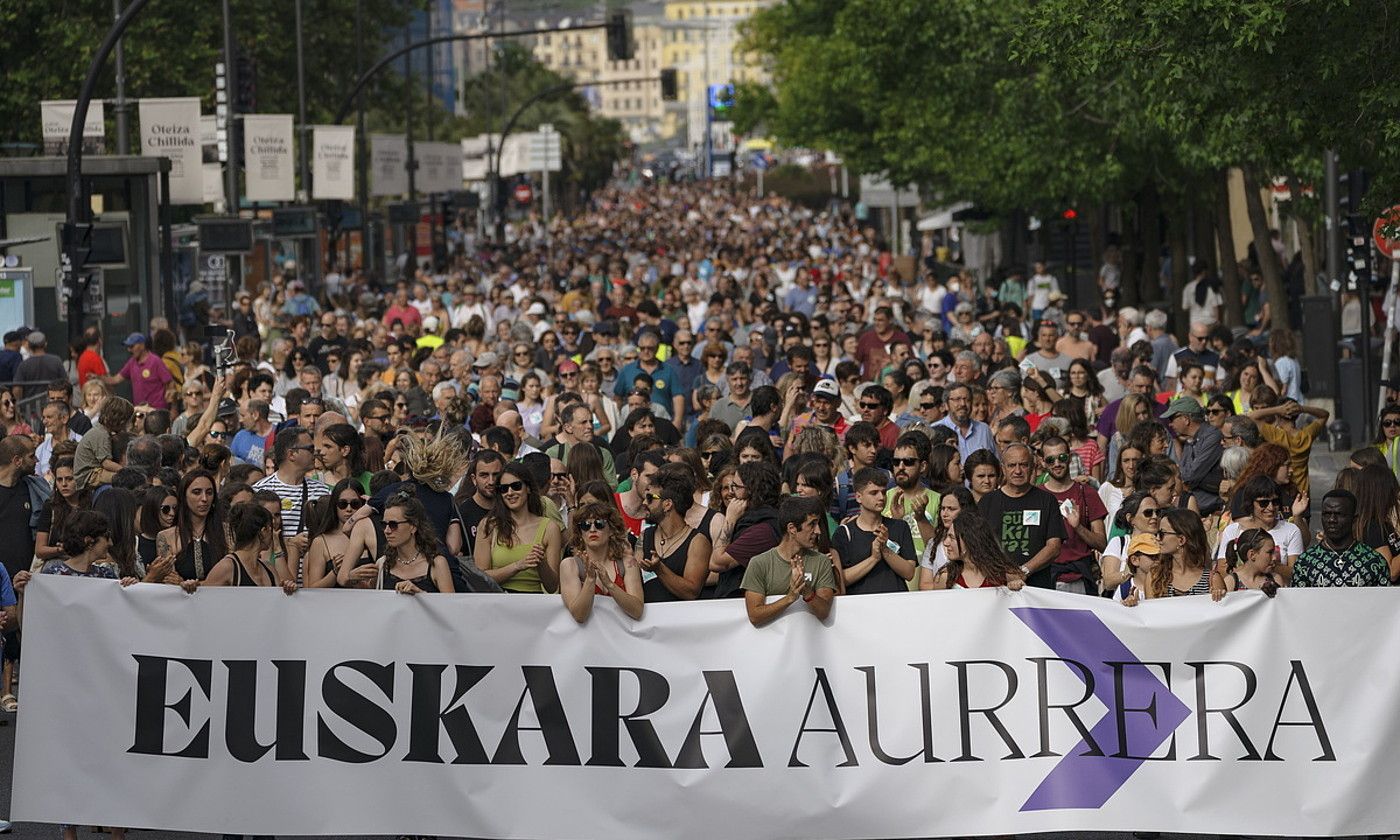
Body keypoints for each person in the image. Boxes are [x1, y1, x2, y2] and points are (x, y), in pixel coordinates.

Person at [977, 443, 1064, 589]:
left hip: (1038, 588)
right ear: (1003, 468)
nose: (1017, 471)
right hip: (995, 587)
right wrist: (1004, 573)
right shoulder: (987, 502)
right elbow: (979, 546)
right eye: (1012, 465)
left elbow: (1054, 547)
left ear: (1032, 467)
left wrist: (1024, 571)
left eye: (1023, 465)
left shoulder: (1047, 500)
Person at [741, 495, 836, 627]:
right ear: (792, 528)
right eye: (812, 524)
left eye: (818, 524)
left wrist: (807, 592)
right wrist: (790, 598)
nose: (818, 531)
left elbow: (824, 612)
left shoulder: (821, 562)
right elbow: (754, 615)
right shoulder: (759, 563)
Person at [474, 463, 562, 593]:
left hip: (532, 604)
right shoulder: (488, 526)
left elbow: (552, 586)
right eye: (504, 489)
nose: (510, 493)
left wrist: (542, 563)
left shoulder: (550, 528)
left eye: (516, 486)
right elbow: (480, 579)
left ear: (528, 488)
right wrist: (517, 566)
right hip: (497, 602)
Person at [1039, 436, 1108, 593]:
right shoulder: (1036, 496)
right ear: (1043, 462)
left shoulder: (1088, 493)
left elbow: (1102, 544)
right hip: (1046, 579)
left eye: (1062, 457)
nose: (1057, 464)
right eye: (1050, 460)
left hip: (1081, 577)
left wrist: (1078, 528)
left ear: (1070, 458)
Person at [834, 467, 917, 594]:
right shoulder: (844, 533)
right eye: (874, 493)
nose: (881, 497)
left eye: (883, 492)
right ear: (858, 497)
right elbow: (840, 579)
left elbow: (909, 573)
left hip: (896, 606)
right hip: (861, 607)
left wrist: (885, 549)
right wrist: (873, 558)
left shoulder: (900, 527)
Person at [560, 500, 644, 622]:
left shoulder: (628, 563)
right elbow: (579, 615)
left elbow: (637, 611)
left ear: (611, 530)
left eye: (599, 524)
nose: (592, 529)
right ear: (580, 533)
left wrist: (609, 584)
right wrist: (590, 579)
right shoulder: (569, 565)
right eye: (585, 525)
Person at [638, 463, 710, 602]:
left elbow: (691, 592)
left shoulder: (698, 542)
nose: (644, 503)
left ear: (667, 504)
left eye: (650, 498)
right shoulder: (645, 536)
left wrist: (659, 569)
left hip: (680, 621)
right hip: (647, 622)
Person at [1293, 489, 1390, 588]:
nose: (1332, 520)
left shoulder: (1374, 562)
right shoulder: (1305, 562)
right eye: (1327, 514)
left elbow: (1385, 601)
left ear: (1354, 519)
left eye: (1339, 514)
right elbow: (1297, 601)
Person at [252, 427, 330, 537]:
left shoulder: (322, 491)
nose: (316, 453)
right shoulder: (259, 490)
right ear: (291, 454)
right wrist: (291, 544)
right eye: (310, 449)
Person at [201, 503, 296, 591]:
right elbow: (204, 600)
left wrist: (287, 589)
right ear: (263, 532)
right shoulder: (227, 567)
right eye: (270, 529)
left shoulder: (269, 569)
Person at [374, 493, 456, 594]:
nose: (387, 530)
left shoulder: (437, 564)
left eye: (393, 525)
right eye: (384, 524)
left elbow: (450, 607)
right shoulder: (382, 564)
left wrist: (420, 594)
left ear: (413, 526)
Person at [926, 509, 1027, 590]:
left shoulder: (1005, 574)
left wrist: (1017, 586)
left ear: (970, 541)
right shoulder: (946, 577)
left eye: (952, 538)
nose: (945, 543)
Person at [104, 332, 174, 410]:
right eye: (128, 347)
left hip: (156, 409)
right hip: (140, 409)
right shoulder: (132, 362)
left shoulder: (155, 361)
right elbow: (115, 380)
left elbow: (169, 382)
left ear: (142, 345)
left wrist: (173, 406)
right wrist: (97, 377)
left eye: (132, 346)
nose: (129, 350)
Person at [934, 382, 995, 460]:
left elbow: (994, 461)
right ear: (946, 405)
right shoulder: (935, 430)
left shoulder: (983, 429)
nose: (963, 404)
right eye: (957, 399)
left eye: (967, 400)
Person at [1220, 527, 1282, 597]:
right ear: (1252, 555)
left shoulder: (1276, 579)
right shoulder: (1231, 582)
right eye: (1269, 552)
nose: (1274, 558)